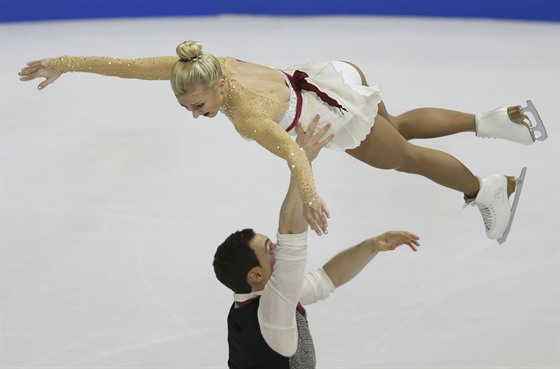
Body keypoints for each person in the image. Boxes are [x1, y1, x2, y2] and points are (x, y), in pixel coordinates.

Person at [18, 40, 548, 241]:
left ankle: (489, 188)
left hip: (325, 110)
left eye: (199, 107)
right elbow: (127, 66)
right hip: (331, 72)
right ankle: (502, 120)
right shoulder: (200, 65)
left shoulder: (246, 116)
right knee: (400, 126)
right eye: (187, 108)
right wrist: (64, 63)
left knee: (403, 157)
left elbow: (293, 150)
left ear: (218, 88)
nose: (197, 116)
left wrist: (311, 194)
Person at [213, 115, 420, 368]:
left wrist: (372, 246)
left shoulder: (261, 301)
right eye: (270, 250)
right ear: (255, 274)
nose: (277, 249)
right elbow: (290, 234)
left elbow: (326, 278)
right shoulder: (271, 309)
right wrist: (302, 160)